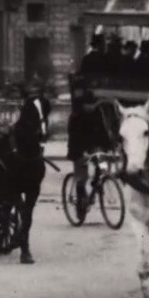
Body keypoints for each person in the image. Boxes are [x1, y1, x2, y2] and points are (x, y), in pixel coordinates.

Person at [66, 86, 101, 215]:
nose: (91, 107)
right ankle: (80, 207)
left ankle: (96, 186)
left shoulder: (96, 114)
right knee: (82, 177)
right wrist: (82, 151)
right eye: (89, 105)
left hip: (91, 148)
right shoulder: (76, 117)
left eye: (93, 104)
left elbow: (100, 133)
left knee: (100, 168)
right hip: (77, 149)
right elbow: (74, 136)